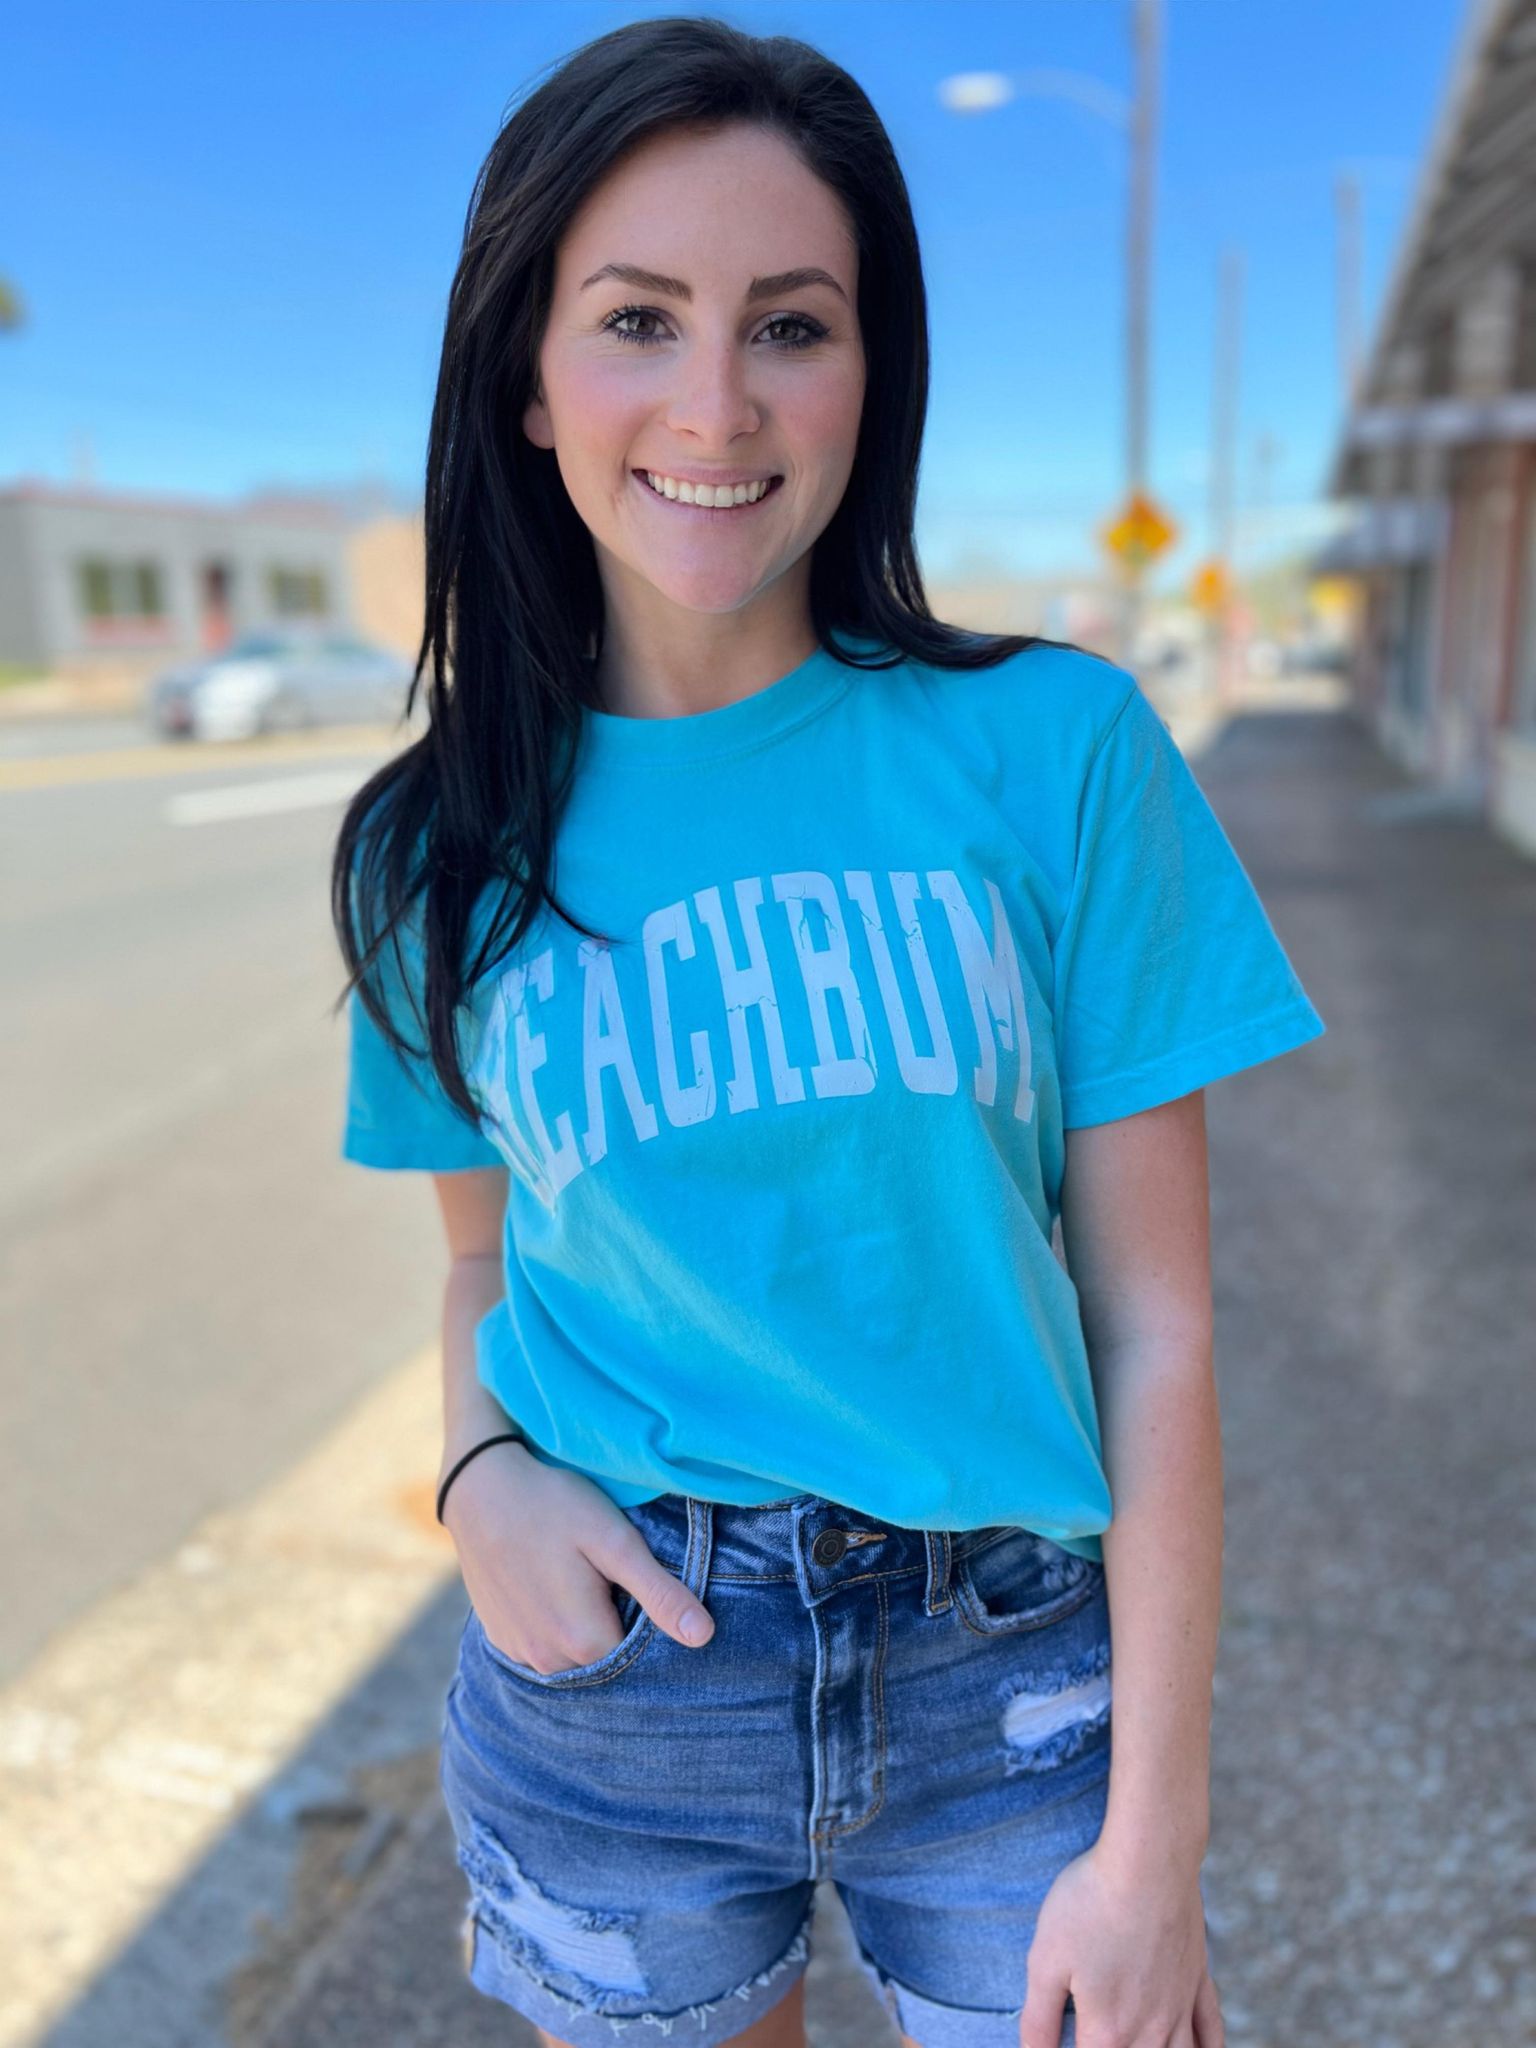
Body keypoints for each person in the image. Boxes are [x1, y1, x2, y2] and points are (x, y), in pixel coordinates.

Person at [331, 18, 1323, 2048]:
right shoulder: (433, 846)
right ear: (525, 379)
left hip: (1010, 1667)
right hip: (621, 1685)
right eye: (636, 320)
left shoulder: (1055, 751)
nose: (717, 402)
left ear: (872, 373)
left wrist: (1155, 1849)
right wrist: (479, 1478)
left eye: (792, 324)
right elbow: (476, 1262)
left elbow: (1160, 1329)